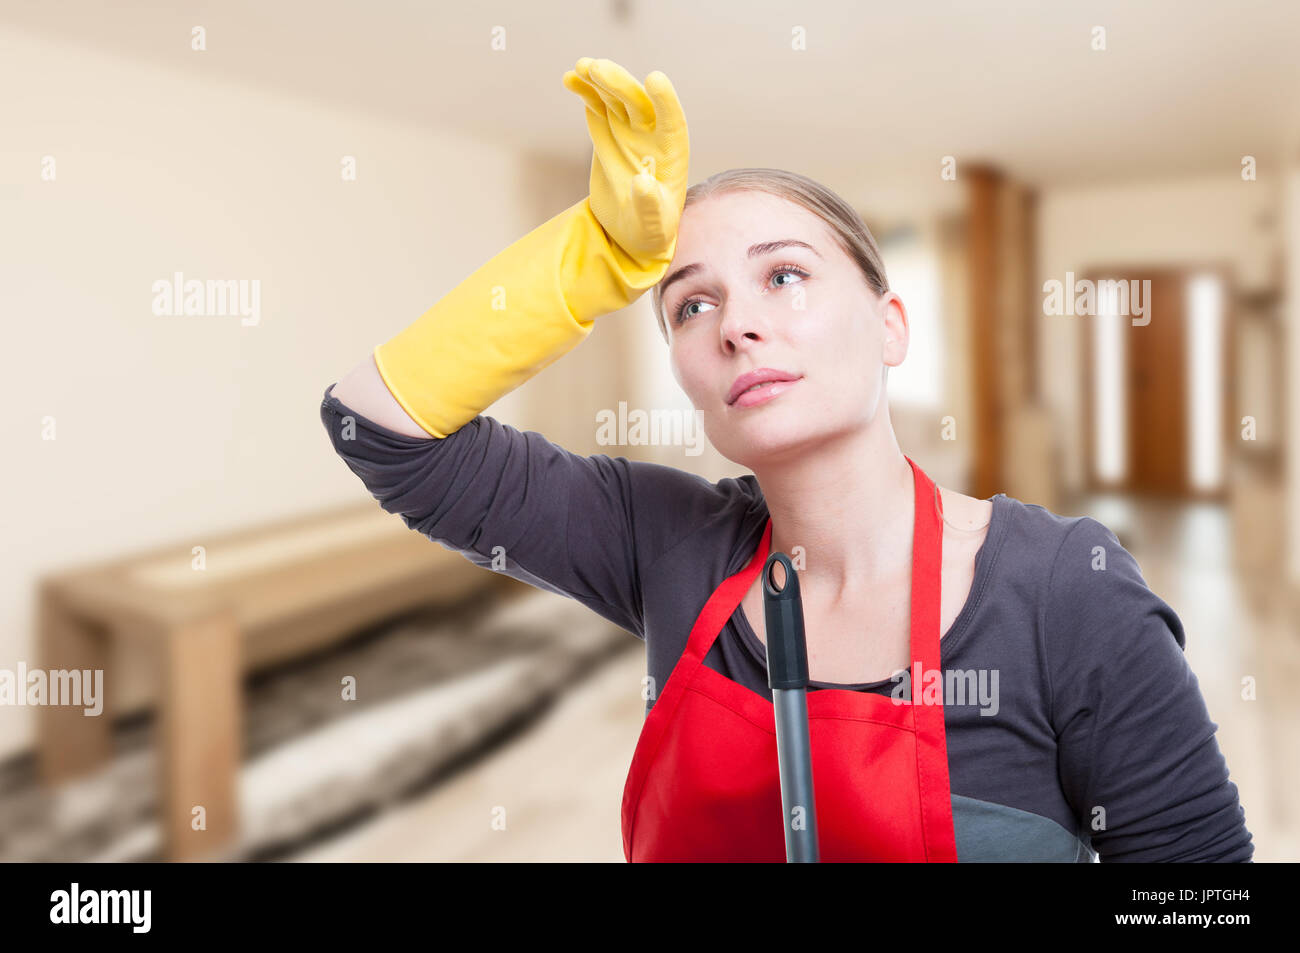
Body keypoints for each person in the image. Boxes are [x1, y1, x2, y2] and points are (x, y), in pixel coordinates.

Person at [320, 57, 1253, 862]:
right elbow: (379, 428)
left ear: (891, 326)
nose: (738, 324)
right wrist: (585, 261)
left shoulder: (1068, 592)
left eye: (785, 275)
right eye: (691, 303)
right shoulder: (670, 543)